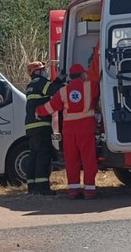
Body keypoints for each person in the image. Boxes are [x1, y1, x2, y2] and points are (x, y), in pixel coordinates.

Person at [36, 62, 100, 199]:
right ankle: (89, 191)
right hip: (86, 130)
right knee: (89, 160)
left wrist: (38, 111)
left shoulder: (63, 91)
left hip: (69, 132)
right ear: (83, 74)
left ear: (70, 76)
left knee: (71, 161)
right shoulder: (90, 87)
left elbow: (51, 106)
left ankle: (73, 191)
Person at [24, 61, 64, 195]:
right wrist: (62, 82)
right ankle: (42, 187)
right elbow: (53, 90)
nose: (45, 71)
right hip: (41, 125)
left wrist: (57, 79)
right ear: (37, 72)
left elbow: (49, 88)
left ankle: (32, 186)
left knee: (34, 156)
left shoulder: (30, 85)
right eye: (43, 70)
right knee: (43, 156)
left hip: (31, 126)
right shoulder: (40, 82)